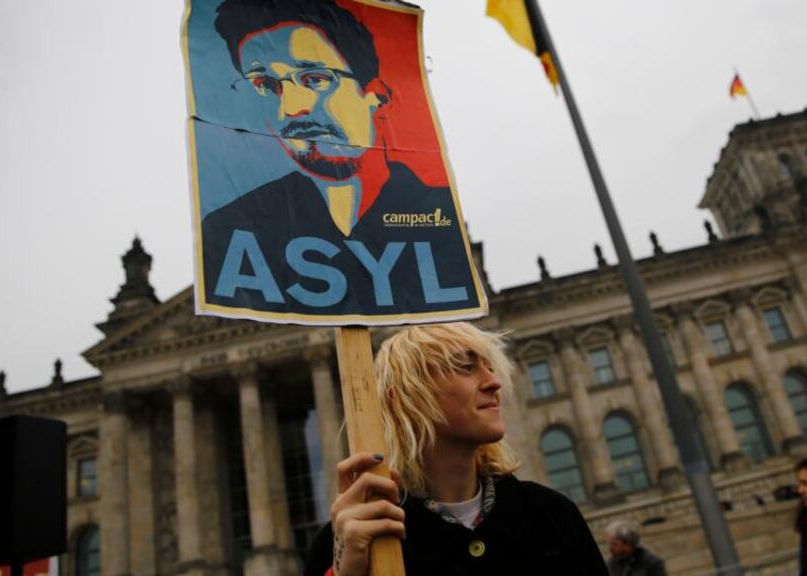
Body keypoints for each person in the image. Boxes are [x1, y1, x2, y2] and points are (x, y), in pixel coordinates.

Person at [204, 0, 479, 316]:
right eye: (266, 86)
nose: (291, 108)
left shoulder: (437, 218)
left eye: (315, 79)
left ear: (375, 95)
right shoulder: (232, 229)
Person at [303, 322, 608, 575]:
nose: (493, 382)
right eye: (465, 366)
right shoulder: (348, 542)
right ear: (404, 398)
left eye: (490, 367)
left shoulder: (552, 514)